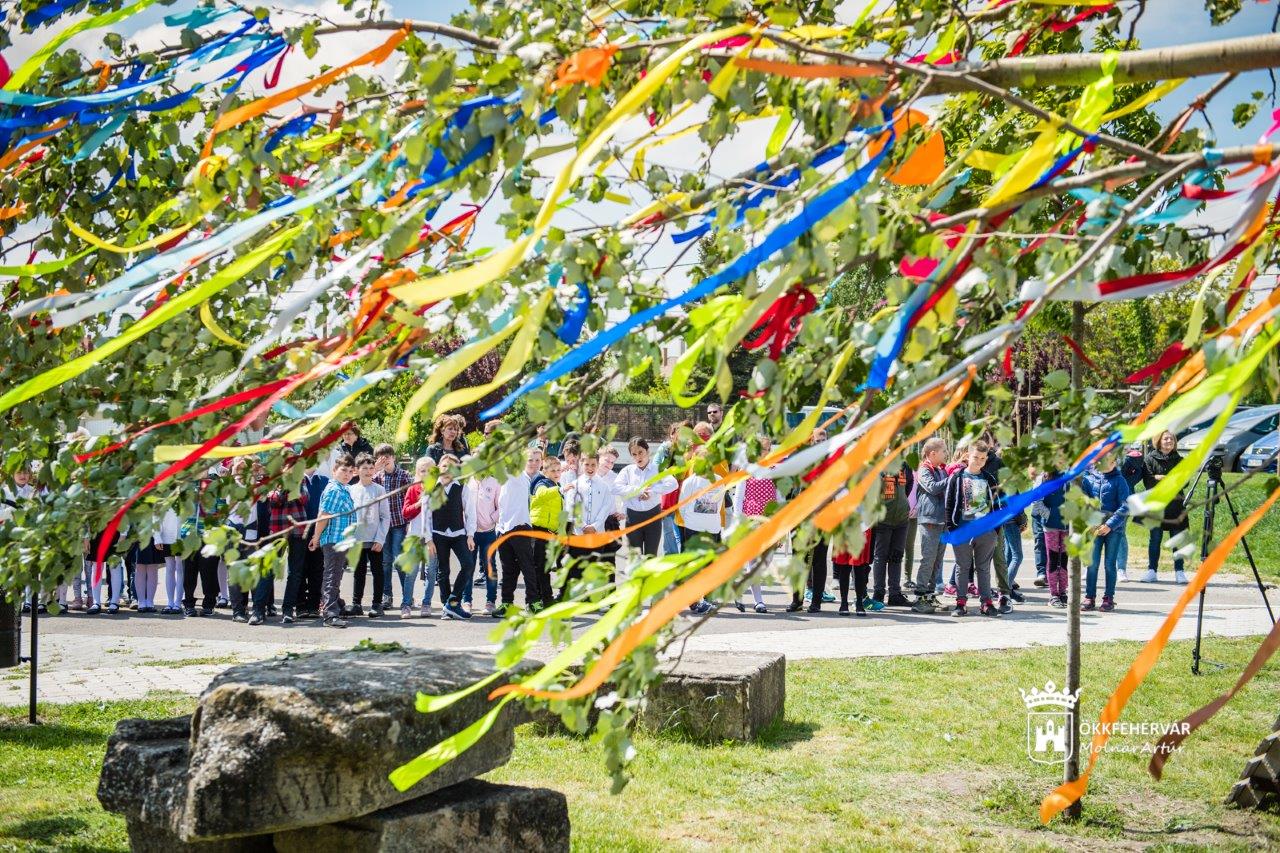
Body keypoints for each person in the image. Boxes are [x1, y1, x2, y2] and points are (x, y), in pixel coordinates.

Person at [943, 441, 1002, 618]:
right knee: (962, 566)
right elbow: (948, 503)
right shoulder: (957, 477)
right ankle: (960, 603)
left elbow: (997, 505)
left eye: (983, 459)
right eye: (976, 457)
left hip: (985, 531)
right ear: (968, 456)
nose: (979, 461)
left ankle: (987, 603)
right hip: (962, 529)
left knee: (984, 567)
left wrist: (995, 529)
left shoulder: (989, 478)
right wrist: (952, 527)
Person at [308, 453, 358, 629]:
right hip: (334, 540)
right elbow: (323, 516)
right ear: (334, 470)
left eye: (351, 471)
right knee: (332, 576)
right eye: (344, 470)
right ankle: (330, 614)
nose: (347, 474)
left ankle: (336, 605)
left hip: (341, 540)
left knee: (335, 575)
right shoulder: (334, 490)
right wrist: (316, 537)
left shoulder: (343, 488)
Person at [1080, 447, 1130, 612]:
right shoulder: (1089, 479)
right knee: (1092, 564)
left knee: (1110, 564)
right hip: (1094, 528)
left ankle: (1109, 597)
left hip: (1113, 530)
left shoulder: (1120, 480)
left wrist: (1109, 525)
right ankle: (1089, 596)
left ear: (1114, 463)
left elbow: (1124, 506)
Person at [732, 437, 778, 614]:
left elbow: (779, 496)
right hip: (751, 519)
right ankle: (759, 601)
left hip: (770, 520)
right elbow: (738, 499)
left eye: (766, 449)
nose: (762, 453)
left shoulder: (775, 470)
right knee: (754, 560)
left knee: (767, 560)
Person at [563, 452, 618, 597]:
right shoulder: (575, 485)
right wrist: (582, 525)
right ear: (581, 464)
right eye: (587, 464)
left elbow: (606, 507)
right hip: (578, 533)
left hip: (596, 532)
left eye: (593, 464)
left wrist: (595, 525)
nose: (590, 467)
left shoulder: (604, 486)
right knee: (576, 566)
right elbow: (570, 506)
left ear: (598, 465)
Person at [677, 446, 724, 615]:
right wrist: (691, 519)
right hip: (694, 528)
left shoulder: (719, 480)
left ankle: (701, 598)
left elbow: (718, 505)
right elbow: (682, 505)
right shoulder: (691, 481)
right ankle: (694, 601)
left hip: (712, 528)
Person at [495, 448, 542, 616]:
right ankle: (506, 603)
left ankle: (533, 602)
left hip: (521, 527)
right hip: (503, 529)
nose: (534, 463)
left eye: (538, 460)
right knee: (508, 568)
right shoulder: (514, 474)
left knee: (528, 566)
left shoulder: (534, 479)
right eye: (530, 460)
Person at [430, 454, 477, 620]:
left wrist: (470, 535)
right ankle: (446, 607)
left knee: (468, 564)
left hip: (458, 533)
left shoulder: (463, 487)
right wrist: (428, 539)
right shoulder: (431, 488)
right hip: (439, 534)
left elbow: (470, 513)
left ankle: (453, 601)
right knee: (443, 570)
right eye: (444, 466)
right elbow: (427, 516)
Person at [613, 437, 677, 556]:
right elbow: (616, 488)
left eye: (641, 452)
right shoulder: (627, 471)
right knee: (634, 557)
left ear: (647, 451)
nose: (638, 457)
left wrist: (652, 491)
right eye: (634, 454)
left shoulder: (658, 469)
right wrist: (638, 491)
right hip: (633, 518)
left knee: (651, 556)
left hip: (653, 517)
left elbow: (673, 484)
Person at [1142, 431, 1189, 584]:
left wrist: (1162, 478)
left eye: (1171, 439)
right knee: (1154, 539)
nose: (1169, 441)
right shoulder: (1149, 459)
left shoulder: (1181, 460)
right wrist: (1159, 478)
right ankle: (1152, 571)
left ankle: (1179, 572)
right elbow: (1148, 481)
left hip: (1176, 504)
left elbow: (1184, 482)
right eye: (1166, 438)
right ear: (1159, 441)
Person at [346, 453, 390, 618]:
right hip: (357, 539)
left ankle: (377, 604)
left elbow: (385, 517)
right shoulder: (351, 490)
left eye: (371, 468)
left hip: (374, 540)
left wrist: (380, 538)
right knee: (359, 571)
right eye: (364, 468)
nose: (368, 471)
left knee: (378, 571)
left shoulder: (379, 490)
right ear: (356, 470)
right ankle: (356, 603)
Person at [911, 437, 949, 614]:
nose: (946, 454)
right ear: (932, 453)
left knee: (937, 560)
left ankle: (930, 594)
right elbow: (933, 488)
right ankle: (919, 597)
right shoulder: (924, 470)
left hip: (942, 519)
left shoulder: (942, 469)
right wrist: (951, 479)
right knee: (928, 559)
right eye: (943, 451)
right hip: (929, 520)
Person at [267, 472, 310, 623]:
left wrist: (292, 486)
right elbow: (273, 500)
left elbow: (304, 498)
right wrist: (284, 488)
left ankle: (288, 609)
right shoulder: (273, 477)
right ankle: (265, 606)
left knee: (295, 572)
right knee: (270, 570)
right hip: (277, 529)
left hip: (298, 530)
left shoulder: (301, 478)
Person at [374, 443, 413, 611]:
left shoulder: (403, 475)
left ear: (394, 457)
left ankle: (407, 595)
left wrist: (409, 522)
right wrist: (375, 468)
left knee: (398, 559)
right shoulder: (377, 477)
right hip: (383, 525)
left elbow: (410, 497)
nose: (385, 460)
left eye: (388, 457)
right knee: (385, 561)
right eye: (381, 458)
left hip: (399, 523)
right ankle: (387, 595)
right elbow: (366, 483)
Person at [400, 457, 439, 618]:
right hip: (415, 536)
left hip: (432, 538)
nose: (426, 473)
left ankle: (426, 603)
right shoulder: (413, 489)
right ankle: (406, 604)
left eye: (429, 470)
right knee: (412, 573)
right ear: (418, 472)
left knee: (431, 573)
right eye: (422, 470)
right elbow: (405, 512)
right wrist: (418, 504)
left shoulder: (439, 489)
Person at [871, 462, 913, 607]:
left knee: (896, 556)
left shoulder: (904, 466)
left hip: (901, 519)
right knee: (880, 557)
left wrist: (904, 505)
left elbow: (909, 484)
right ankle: (878, 593)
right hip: (883, 520)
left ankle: (895, 593)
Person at [180, 478, 222, 617]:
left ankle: (209, 604)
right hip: (190, 535)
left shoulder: (214, 487)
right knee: (189, 572)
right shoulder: (187, 487)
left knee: (209, 572)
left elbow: (222, 512)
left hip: (209, 535)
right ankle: (189, 603)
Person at [467, 455, 502, 616]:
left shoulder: (494, 483)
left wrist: (491, 520)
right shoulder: (468, 483)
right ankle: (466, 600)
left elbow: (500, 506)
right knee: (468, 567)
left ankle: (490, 601)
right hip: (471, 534)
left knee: (489, 566)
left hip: (488, 533)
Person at [529, 454, 564, 610]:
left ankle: (544, 599)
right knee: (540, 567)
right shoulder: (542, 483)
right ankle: (544, 600)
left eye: (558, 470)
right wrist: (559, 488)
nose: (556, 473)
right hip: (539, 530)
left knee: (544, 567)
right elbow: (541, 494)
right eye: (553, 470)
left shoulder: (556, 486)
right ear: (545, 471)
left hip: (551, 532)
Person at [1031, 470, 1069, 607]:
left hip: (1067, 526)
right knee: (1053, 559)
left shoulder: (1071, 475)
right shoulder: (1043, 477)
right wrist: (1049, 515)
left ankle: (1063, 591)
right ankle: (1054, 595)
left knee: (1063, 559)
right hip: (1050, 526)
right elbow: (1036, 500)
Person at [653, 422, 691, 556]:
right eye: (677, 433)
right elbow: (655, 466)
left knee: (682, 527)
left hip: (684, 492)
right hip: (669, 492)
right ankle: (671, 556)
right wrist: (669, 473)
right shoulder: (665, 448)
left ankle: (682, 557)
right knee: (669, 527)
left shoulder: (689, 449)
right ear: (672, 435)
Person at [832, 527, 874, 616]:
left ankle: (859, 602)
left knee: (860, 567)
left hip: (862, 526)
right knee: (844, 566)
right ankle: (844, 603)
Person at [156, 508, 182, 614]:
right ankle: (170, 602)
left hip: (181, 537)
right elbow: (156, 517)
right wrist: (157, 538)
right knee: (169, 569)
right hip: (166, 537)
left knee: (180, 570)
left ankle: (178, 603)